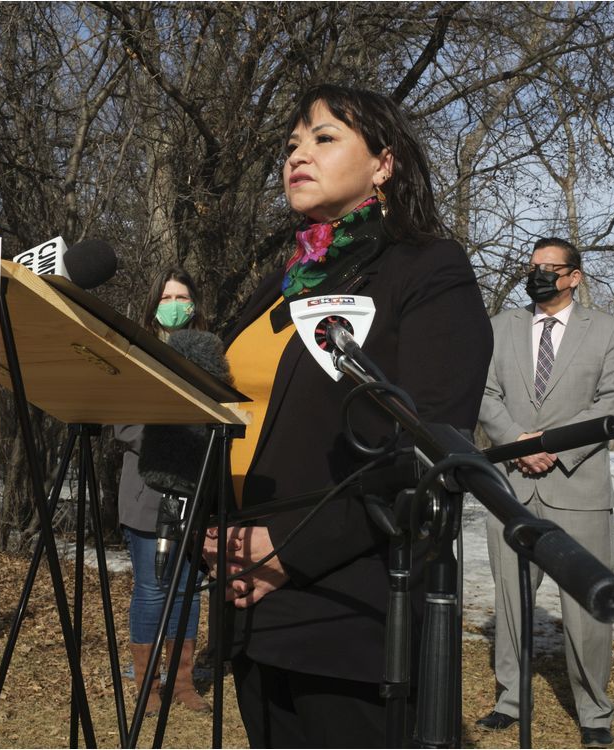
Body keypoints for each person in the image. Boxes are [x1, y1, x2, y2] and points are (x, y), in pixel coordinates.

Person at [204, 84, 493, 747]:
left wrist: (290, 550)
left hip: (352, 610)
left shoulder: (425, 268)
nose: (298, 155)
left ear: (383, 163)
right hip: (254, 603)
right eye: (291, 145)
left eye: (325, 138)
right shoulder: (282, 282)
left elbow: (428, 445)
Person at [476, 237, 614, 748]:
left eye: (550, 267)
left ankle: (594, 711)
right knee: (512, 598)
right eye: (532, 266)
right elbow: (485, 392)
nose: (538, 273)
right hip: (511, 485)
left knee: (585, 606)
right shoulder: (501, 327)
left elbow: (613, 405)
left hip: (578, 488)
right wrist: (515, 441)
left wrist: (554, 449)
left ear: (574, 277)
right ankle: (510, 700)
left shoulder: (606, 330)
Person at [115, 266, 212, 716]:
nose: (175, 304)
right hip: (148, 489)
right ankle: (147, 682)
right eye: (167, 296)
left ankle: (182, 681)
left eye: (182, 296)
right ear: (155, 304)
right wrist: (173, 442)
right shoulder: (137, 353)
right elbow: (126, 423)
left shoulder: (209, 355)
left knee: (187, 589)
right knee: (153, 588)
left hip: (197, 489)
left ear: (194, 303)